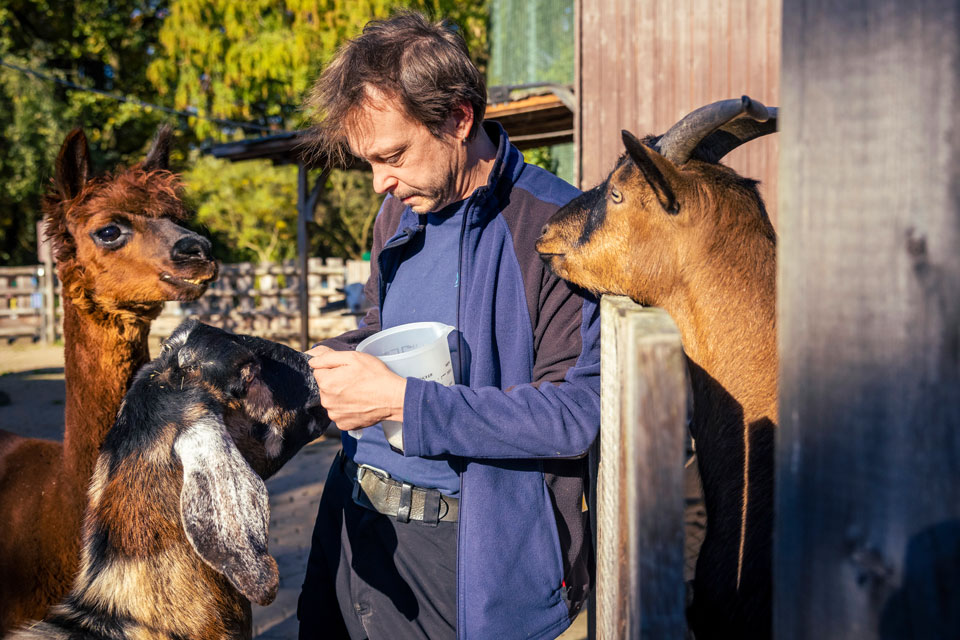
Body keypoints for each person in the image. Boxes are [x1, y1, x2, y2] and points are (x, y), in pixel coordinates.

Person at [297, 12, 600, 640]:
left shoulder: (558, 229)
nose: (380, 182)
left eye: (393, 156)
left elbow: (578, 413)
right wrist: (322, 363)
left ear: (459, 119)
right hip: (356, 525)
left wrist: (406, 403)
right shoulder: (397, 214)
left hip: (471, 556)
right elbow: (381, 327)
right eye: (369, 162)